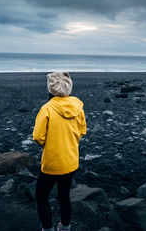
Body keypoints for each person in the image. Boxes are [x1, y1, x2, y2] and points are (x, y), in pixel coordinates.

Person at [33, 72, 87, 231]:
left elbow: (37, 136)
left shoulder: (47, 108)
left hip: (52, 161)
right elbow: (82, 131)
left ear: (50, 88)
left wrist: (49, 145)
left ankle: (48, 229)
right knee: (64, 196)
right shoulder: (78, 106)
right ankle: (65, 227)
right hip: (70, 160)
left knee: (41, 197)